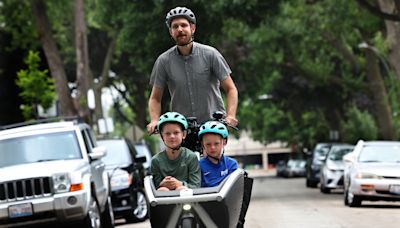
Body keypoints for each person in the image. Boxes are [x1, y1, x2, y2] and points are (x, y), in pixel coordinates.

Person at [147, 6, 239, 134]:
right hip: (182, 129)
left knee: (212, 153)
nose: (180, 29)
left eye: (184, 25)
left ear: (193, 28)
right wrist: (154, 120)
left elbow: (231, 89)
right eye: (175, 26)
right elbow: (155, 98)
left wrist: (230, 116)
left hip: (212, 125)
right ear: (171, 32)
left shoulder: (211, 54)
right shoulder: (163, 61)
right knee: (181, 154)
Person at [150, 111, 201, 191]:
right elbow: (154, 188)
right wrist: (162, 184)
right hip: (164, 200)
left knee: (181, 189)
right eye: (167, 133)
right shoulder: (156, 161)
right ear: (162, 136)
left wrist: (180, 184)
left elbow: (196, 186)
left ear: (183, 134)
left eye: (176, 133)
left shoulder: (191, 157)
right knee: (162, 190)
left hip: (189, 200)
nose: (172, 136)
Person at [198, 121, 238, 187]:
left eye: (216, 143)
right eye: (208, 144)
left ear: (224, 142)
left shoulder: (231, 164)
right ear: (202, 144)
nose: (212, 147)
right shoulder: (198, 166)